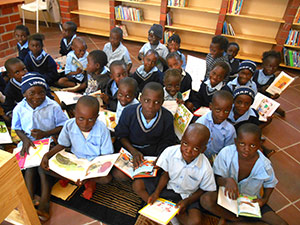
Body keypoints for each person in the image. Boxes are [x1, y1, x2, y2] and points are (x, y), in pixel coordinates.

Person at [200, 123, 288, 225]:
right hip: (226, 198)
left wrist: (264, 200)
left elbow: (270, 183)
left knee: (281, 223)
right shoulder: (226, 153)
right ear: (235, 142)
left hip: (250, 201)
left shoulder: (265, 165)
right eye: (242, 144)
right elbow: (216, 177)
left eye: (252, 145)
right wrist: (226, 180)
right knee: (206, 200)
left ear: (260, 144)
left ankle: (233, 220)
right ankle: (235, 220)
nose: (246, 148)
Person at [133, 123, 216, 225]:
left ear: (203, 150)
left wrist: (188, 201)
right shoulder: (170, 152)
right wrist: (156, 193)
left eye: (195, 149)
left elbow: (203, 189)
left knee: (195, 221)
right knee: (137, 185)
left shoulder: (205, 168)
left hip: (186, 196)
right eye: (185, 144)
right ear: (181, 140)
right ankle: (157, 208)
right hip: (167, 187)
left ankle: (171, 213)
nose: (188, 150)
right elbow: (166, 174)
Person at [11, 73, 68, 221]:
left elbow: (64, 126)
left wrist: (45, 133)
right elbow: (17, 128)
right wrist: (24, 140)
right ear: (24, 93)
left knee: (43, 168)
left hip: (49, 141)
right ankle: (29, 199)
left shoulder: (53, 106)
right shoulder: (19, 108)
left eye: (41, 92)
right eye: (32, 93)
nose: (37, 97)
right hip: (29, 143)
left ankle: (44, 203)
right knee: (30, 168)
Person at [41, 96, 114, 201]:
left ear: (97, 117)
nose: (85, 124)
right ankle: (71, 177)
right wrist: (47, 155)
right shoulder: (69, 125)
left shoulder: (102, 129)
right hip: (75, 160)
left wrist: (90, 175)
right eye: (81, 118)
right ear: (74, 113)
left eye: (90, 119)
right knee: (46, 166)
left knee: (107, 178)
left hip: (93, 164)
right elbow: (62, 144)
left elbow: (105, 156)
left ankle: (89, 182)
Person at [114, 82, 178, 180]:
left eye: (156, 102)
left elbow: (167, 141)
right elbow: (121, 135)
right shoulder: (128, 112)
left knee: (158, 172)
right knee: (118, 174)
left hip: (151, 154)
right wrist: (133, 151)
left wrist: (159, 158)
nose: (151, 106)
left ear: (162, 102)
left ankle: (141, 177)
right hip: (130, 150)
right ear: (140, 99)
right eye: (147, 100)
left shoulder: (167, 117)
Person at [3, 59, 54, 123]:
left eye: (24, 69)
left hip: (42, 105)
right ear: (10, 75)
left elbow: (47, 92)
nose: (23, 73)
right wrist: (12, 115)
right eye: (17, 72)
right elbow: (8, 106)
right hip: (25, 113)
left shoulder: (35, 78)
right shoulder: (10, 89)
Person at [195, 90, 236, 160]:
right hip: (198, 157)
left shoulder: (230, 130)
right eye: (218, 110)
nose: (221, 115)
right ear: (211, 107)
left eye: (226, 111)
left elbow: (228, 151)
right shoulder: (201, 123)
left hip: (218, 159)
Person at [252, 50, 285, 117]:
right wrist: (260, 89)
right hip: (252, 96)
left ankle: (274, 108)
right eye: (269, 66)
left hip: (264, 100)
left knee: (270, 106)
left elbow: (270, 95)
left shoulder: (273, 79)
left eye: (275, 67)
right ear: (263, 64)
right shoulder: (255, 73)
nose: (271, 69)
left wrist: (274, 95)